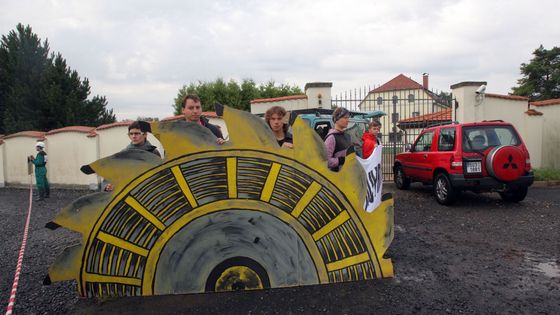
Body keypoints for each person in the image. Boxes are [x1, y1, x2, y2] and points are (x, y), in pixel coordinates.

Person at [104, 121, 161, 192]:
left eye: (137, 133)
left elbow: (160, 175)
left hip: (150, 192)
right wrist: (109, 186)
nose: (133, 136)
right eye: (131, 134)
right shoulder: (124, 153)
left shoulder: (153, 152)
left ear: (145, 134)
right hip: (129, 193)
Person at [324, 107, 353, 171]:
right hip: (338, 177)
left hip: (349, 174)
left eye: (348, 118)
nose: (348, 120)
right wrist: (340, 160)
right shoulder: (331, 138)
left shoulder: (348, 136)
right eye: (345, 118)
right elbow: (326, 161)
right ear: (336, 119)